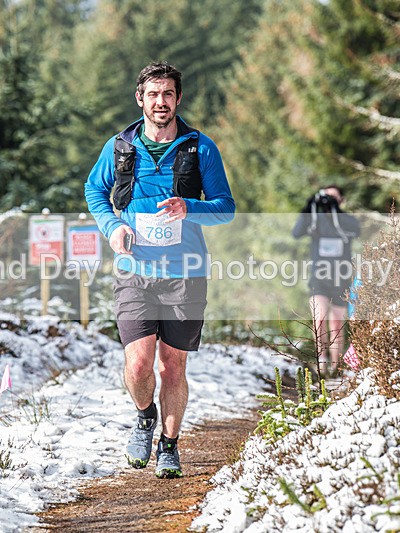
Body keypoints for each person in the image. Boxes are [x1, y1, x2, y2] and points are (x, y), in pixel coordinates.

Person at [84, 62, 235, 479]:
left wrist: (191, 207)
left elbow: (226, 208)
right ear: (140, 99)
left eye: (168, 93)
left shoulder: (200, 147)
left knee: (172, 366)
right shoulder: (119, 147)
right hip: (134, 271)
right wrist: (113, 228)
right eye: (153, 94)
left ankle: (169, 447)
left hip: (185, 273)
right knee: (137, 364)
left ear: (178, 99)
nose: (160, 101)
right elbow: (94, 190)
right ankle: (144, 416)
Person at [292, 186, 360, 376]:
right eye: (326, 197)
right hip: (319, 278)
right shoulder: (315, 219)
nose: (329, 200)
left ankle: (335, 367)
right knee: (318, 317)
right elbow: (296, 233)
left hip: (341, 278)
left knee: (336, 323)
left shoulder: (346, 220)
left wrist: (335, 211)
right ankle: (321, 360)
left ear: (342, 200)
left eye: (333, 197)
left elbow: (357, 230)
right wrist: (308, 207)